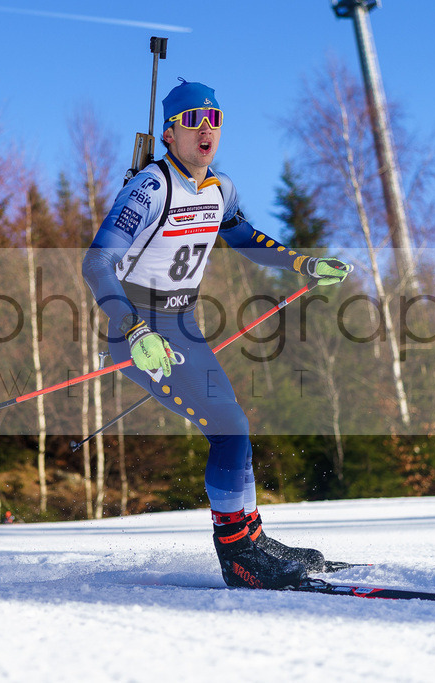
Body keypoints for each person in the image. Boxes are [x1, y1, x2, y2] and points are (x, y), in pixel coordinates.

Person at [81, 79, 350, 589]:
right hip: (141, 328)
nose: (206, 130)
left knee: (234, 426)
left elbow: (244, 236)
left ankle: (251, 540)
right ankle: (238, 557)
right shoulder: (151, 187)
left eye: (215, 121)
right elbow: (97, 263)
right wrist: (134, 330)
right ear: (168, 134)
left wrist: (303, 261)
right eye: (192, 121)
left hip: (182, 325)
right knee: (229, 425)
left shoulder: (219, 188)